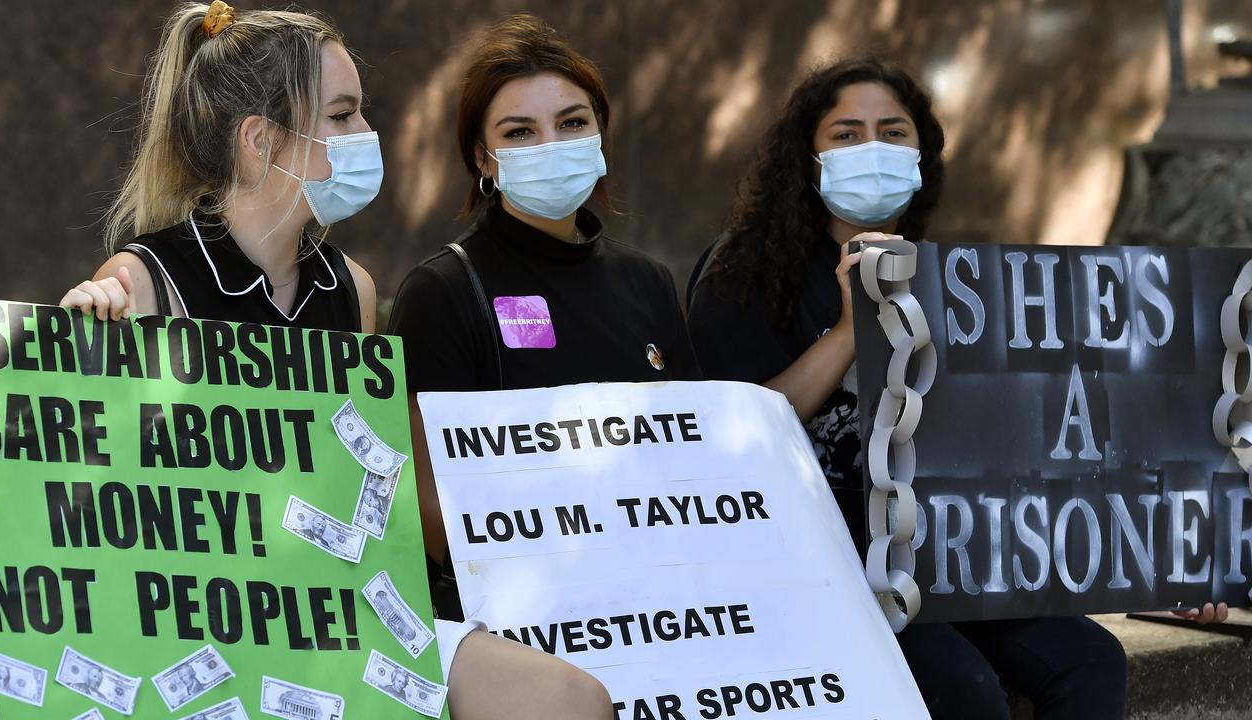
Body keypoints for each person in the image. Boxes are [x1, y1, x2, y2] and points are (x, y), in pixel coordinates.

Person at [59, 4, 611, 719]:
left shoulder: (353, 289)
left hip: (335, 614)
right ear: (260, 140)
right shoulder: (144, 281)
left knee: (570, 698)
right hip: (200, 634)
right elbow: (90, 507)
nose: (367, 135)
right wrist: (78, 350)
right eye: (344, 115)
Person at [686, 57, 1147, 719]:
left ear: (921, 154)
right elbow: (738, 434)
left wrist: (1152, 562)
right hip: (817, 558)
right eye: (846, 133)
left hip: (932, 555)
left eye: (893, 132)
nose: (872, 148)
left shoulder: (947, 280)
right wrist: (851, 328)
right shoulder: (743, 271)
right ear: (807, 157)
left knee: (1091, 658)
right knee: (963, 689)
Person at [389, 10, 700, 623]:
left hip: (662, 606)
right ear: (484, 159)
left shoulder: (649, 283)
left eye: (571, 123)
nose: (551, 146)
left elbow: (693, 458)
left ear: (600, 136)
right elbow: (425, 498)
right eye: (521, 132)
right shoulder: (442, 291)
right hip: (518, 617)